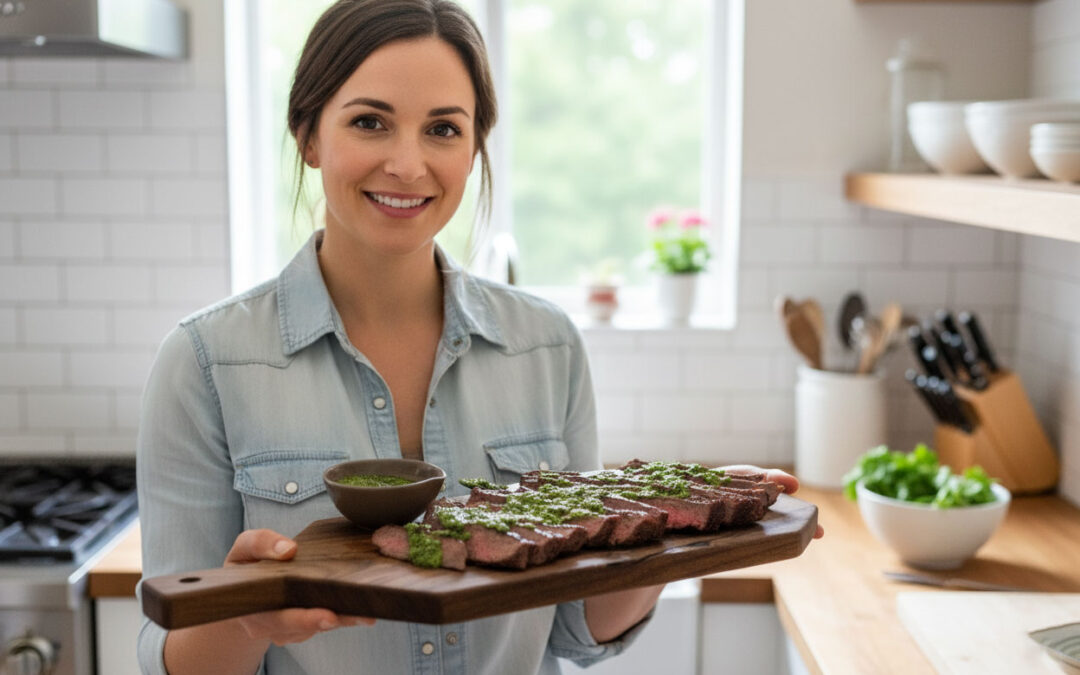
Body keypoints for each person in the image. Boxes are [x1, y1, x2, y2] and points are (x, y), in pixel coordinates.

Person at [135, 1, 817, 673]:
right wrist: (249, 618)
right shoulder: (204, 362)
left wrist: (682, 521)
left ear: (474, 147)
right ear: (309, 136)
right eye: (370, 122)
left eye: (442, 129)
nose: (408, 164)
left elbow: (579, 631)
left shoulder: (546, 345)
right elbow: (173, 656)